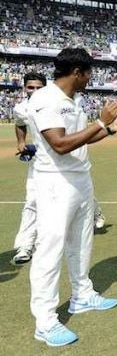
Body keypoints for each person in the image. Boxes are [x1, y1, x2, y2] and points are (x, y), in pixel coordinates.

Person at [25, 48, 117, 346]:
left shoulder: (74, 100)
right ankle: (45, 322)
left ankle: (82, 295)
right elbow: (60, 144)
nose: (90, 79)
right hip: (55, 183)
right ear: (77, 72)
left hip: (79, 178)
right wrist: (101, 123)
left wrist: (111, 128)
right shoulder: (46, 99)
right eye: (88, 74)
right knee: (50, 249)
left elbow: (83, 137)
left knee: (82, 241)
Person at [11, 72, 46, 265]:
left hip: (64, 159)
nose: (34, 91)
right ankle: (25, 245)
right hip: (39, 161)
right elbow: (19, 124)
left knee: (78, 195)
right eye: (31, 87)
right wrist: (22, 142)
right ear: (24, 88)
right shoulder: (21, 108)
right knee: (32, 201)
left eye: (39, 88)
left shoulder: (55, 104)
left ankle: (94, 211)